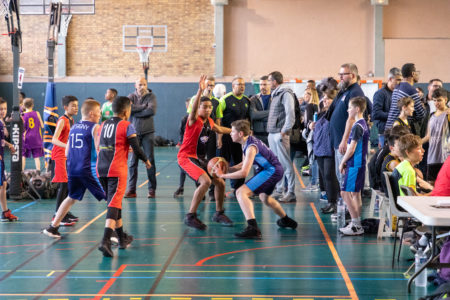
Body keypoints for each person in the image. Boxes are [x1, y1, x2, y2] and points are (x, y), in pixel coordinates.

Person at [216, 120, 297, 238]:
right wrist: (228, 169)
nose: (230, 134)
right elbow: (243, 164)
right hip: (272, 169)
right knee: (265, 198)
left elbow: (244, 173)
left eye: (232, 131)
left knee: (240, 192)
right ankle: (286, 220)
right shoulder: (246, 142)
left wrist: (223, 176)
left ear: (240, 134)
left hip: (271, 171)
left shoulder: (250, 148)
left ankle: (253, 228)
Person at [97, 96, 151, 257]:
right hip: (116, 169)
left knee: (115, 203)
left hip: (101, 168)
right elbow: (136, 147)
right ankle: (105, 240)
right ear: (126, 111)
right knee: (114, 204)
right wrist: (146, 160)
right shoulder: (127, 125)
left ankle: (121, 239)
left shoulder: (103, 124)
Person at [43, 100, 106, 238]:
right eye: (99, 111)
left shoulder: (74, 126)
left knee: (71, 197)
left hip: (72, 168)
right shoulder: (95, 127)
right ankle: (114, 233)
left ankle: (52, 227)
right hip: (87, 169)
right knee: (111, 198)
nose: (100, 113)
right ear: (91, 113)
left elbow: (67, 152)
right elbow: (98, 149)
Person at [178, 75, 233, 230]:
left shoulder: (209, 121)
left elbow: (220, 129)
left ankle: (219, 213)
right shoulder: (193, 120)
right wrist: (200, 91)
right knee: (206, 182)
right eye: (205, 107)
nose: (208, 109)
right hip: (186, 157)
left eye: (210, 107)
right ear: (199, 108)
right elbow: (194, 109)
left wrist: (236, 131)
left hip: (200, 158)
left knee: (220, 182)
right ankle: (190, 216)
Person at [326, 63, 365, 186]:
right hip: (337, 140)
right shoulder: (344, 91)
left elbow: (352, 118)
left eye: (343, 74)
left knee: (344, 176)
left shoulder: (355, 92)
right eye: (340, 74)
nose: (340, 77)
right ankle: (344, 202)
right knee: (340, 175)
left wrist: (344, 140)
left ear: (352, 75)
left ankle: (347, 204)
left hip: (345, 142)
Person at [338, 97, 370, 236]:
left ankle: (356, 225)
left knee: (345, 193)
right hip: (359, 164)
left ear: (357, 109)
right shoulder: (362, 124)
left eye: (350, 107)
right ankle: (357, 223)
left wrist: (342, 161)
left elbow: (351, 149)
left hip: (355, 165)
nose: (347, 109)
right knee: (355, 194)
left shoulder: (358, 126)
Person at [187, 76, 220, 201]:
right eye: (208, 85)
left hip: (210, 134)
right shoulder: (195, 100)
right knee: (196, 160)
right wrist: (200, 91)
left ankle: (212, 192)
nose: (210, 87)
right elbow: (191, 116)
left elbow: (218, 122)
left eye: (212, 85)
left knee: (211, 161)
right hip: (196, 136)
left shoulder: (217, 102)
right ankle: (201, 189)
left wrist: (220, 137)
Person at [216, 76, 250, 195]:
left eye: (243, 84)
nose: (242, 86)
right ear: (233, 86)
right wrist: (219, 137)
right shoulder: (225, 99)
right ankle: (220, 189)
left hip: (240, 139)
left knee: (239, 162)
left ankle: (238, 189)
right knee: (223, 162)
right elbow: (218, 119)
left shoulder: (247, 100)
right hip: (227, 136)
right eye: (239, 84)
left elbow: (248, 119)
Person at [267, 71, 296, 203]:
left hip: (279, 133)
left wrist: (284, 130)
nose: (268, 83)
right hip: (272, 132)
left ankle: (290, 192)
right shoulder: (276, 93)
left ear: (274, 81)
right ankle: (279, 191)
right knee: (276, 164)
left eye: (269, 81)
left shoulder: (286, 93)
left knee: (286, 163)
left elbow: (290, 113)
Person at [311, 78, 340, 214]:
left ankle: (334, 202)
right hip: (319, 148)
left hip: (330, 149)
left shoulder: (337, 113)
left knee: (330, 175)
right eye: (324, 98)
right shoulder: (322, 113)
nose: (325, 100)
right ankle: (330, 201)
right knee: (324, 176)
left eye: (328, 98)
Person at [126, 77, 157, 198]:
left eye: (144, 84)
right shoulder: (131, 97)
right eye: (140, 85)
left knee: (150, 160)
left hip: (148, 133)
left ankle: (152, 190)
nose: (142, 87)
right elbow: (129, 109)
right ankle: (132, 190)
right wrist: (143, 107)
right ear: (135, 85)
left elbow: (151, 111)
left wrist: (137, 111)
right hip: (134, 133)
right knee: (133, 162)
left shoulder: (151, 96)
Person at [51, 95, 79, 226]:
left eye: (77, 106)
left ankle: (64, 212)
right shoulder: (62, 120)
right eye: (73, 106)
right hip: (59, 156)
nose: (76, 108)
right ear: (65, 107)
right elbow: (54, 139)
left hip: (67, 156)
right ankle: (57, 215)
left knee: (68, 186)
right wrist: (67, 145)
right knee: (63, 186)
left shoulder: (72, 120)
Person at [385, 63, 425, 130]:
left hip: (389, 126)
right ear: (413, 74)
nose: (418, 75)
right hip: (400, 128)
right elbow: (421, 114)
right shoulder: (411, 90)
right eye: (417, 72)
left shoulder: (397, 87)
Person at [421, 88, 449, 182]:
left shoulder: (448, 114)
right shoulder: (432, 115)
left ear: (445, 100)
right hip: (432, 157)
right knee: (431, 184)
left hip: (445, 157)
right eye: (435, 100)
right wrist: (416, 142)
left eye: (439, 100)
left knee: (445, 184)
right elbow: (428, 136)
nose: (437, 103)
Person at [372, 67, 402, 147]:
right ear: (390, 79)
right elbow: (376, 113)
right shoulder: (380, 94)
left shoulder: (398, 93)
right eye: (398, 80)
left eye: (401, 80)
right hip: (385, 133)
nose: (400, 82)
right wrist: (394, 116)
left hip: (397, 131)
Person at [0, 99, 18, 222]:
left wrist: (8, 144)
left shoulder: (1, 123)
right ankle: (4, 212)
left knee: (4, 184)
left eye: (5, 108)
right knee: (2, 185)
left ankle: (5, 212)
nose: (3, 111)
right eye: (0, 109)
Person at [173, 98, 191, 198]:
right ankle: (181, 187)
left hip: (196, 148)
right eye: (188, 106)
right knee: (182, 167)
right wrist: (181, 143)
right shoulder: (185, 119)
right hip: (185, 146)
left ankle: (199, 187)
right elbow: (181, 132)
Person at [22, 98, 44, 170]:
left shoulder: (23, 115)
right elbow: (42, 125)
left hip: (27, 138)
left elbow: (23, 129)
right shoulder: (37, 113)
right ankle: (38, 171)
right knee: (36, 157)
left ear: (24, 106)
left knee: (23, 155)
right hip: (36, 138)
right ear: (33, 105)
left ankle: (21, 172)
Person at [249, 75, 271, 146]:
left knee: (272, 156)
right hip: (257, 135)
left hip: (272, 134)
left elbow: (278, 116)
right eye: (260, 84)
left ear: (270, 85)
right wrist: (272, 112)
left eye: (264, 84)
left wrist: (260, 114)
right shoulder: (253, 99)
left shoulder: (275, 98)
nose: (262, 87)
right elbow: (254, 115)